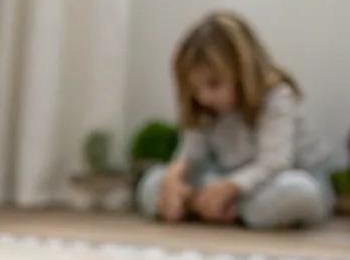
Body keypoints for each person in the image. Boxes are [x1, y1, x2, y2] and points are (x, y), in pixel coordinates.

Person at [139, 12, 334, 230]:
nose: (203, 97)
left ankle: (219, 207)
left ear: (243, 71)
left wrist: (229, 188)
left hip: (276, 178)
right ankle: (212, 206)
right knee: (151, 183)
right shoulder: (204, 108)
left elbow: (274, 162)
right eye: (195, 89)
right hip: (226, 178)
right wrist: (173, 180)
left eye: (213, 84)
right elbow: (191, 154)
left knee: (299, 193)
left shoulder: (276, 97)